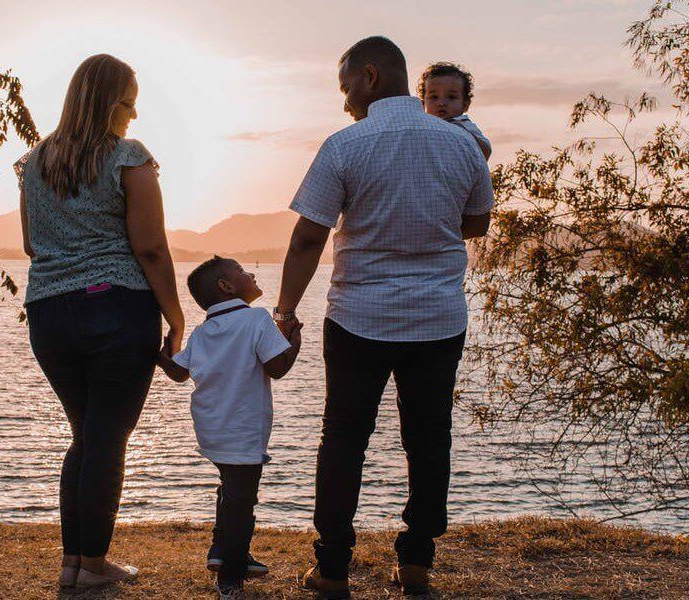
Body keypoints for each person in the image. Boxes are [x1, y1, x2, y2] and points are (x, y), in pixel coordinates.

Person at [273, 36, 494, 598]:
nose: (344, 97)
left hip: (358, 318)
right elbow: (476, 224)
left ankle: (331, 569)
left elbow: (306, 236)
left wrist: (286, 309)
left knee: (344, 440)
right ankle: (417, 562)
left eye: (345, 83)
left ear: (370, 76)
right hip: (438, 319)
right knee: (429, 439)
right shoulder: (463, 145)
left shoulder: (346, 144)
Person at [16, 53, 184, 589]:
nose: (133, 117)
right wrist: (176, 320)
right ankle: (91, 565)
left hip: (48, 312)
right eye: (129, 104)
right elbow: (152, 249)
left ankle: (74, 562)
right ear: (110, 104)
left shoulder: (35, 162)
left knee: (86, 436)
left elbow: (28, 244)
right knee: (108, 438)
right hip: (116, 308)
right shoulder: (128, 157)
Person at [156, 256, 302, 598]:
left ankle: (223, 552)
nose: (251, 272)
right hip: (243, 431)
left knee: (230, 491)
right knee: (242, 502)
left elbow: (178, 372)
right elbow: (278, 367)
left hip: (211, 430)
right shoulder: (256, 319)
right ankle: (231, 577)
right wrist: (293, 339)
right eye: (242, 271)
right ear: (227, 286)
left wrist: (163, 353)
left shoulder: (204, 330)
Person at [419, 61, 492, 159]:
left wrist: (466, 138)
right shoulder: (422, 127)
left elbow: (486, 150)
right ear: (423, 104)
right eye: (434, 97)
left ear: (465, 105)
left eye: (451, 97)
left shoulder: (462, 124)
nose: (442, 103)